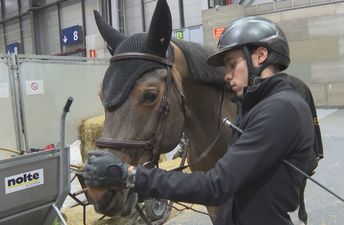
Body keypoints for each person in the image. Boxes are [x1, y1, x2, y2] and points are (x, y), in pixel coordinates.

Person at [84, 16, 319, 225]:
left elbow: (216, 186)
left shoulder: (281, 109)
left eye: (231, 64)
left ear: (260, 56)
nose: (225, 75)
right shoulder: (255, 106)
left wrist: (132, 176)